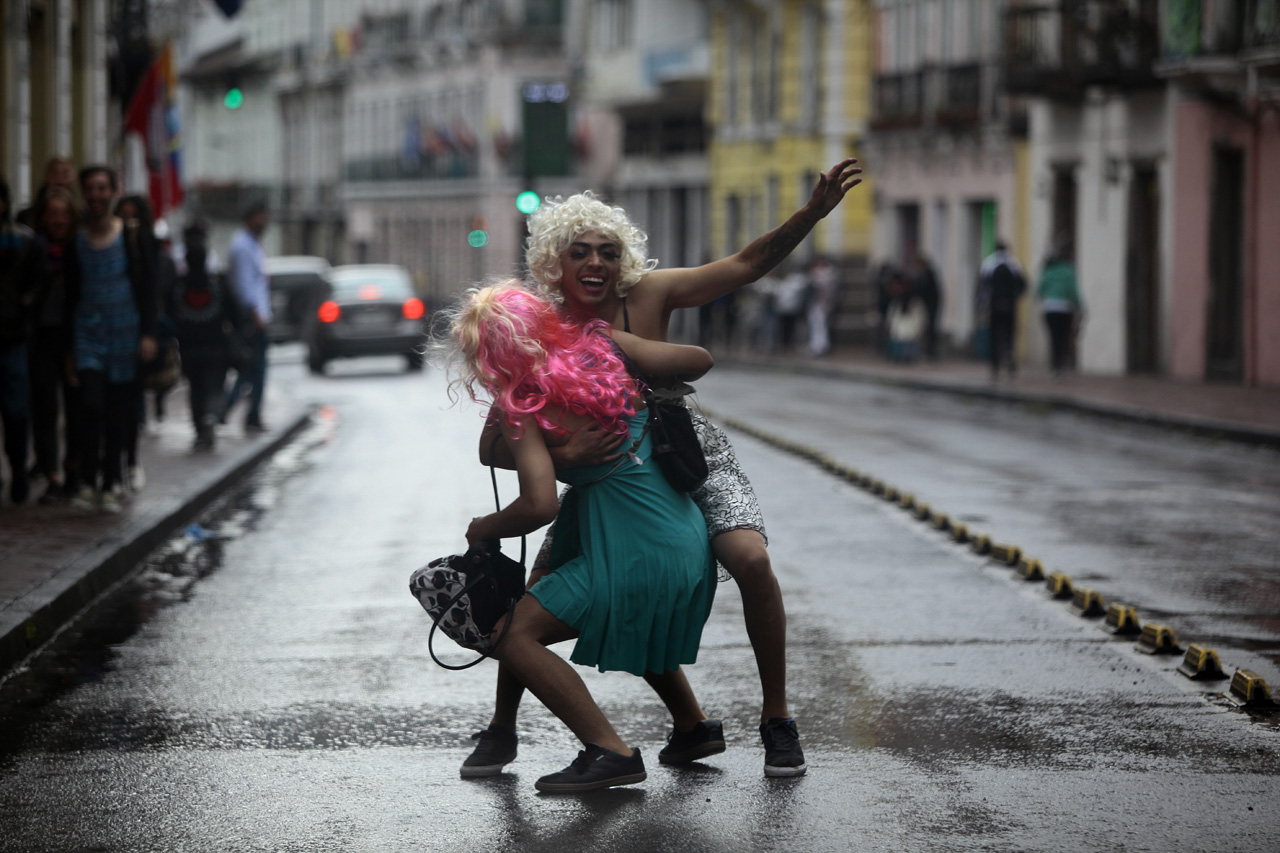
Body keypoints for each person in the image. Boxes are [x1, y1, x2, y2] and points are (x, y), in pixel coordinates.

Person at [466, 158, 863, 779]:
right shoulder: (544, 328)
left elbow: (744, 266)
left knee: (751, 561)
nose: (596, 263)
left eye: (608, 252)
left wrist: (811, 215)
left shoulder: (646, 295)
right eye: (580, 252)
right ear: (554, 262)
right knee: (544, 588)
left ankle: (777, 719)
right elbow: (495, 446)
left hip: (687, 451)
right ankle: (504, 729)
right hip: (612, 478)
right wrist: (568, 456)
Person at [448, 280, 721, 793]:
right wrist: (641, 373)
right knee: (611, 613)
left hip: (635, 553)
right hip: (685, 541)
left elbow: (539, 505)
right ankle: (692, 726)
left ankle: (609, 750)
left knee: (511, 635)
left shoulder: (523, 406)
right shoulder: (605, 346)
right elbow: (699, 359)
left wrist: (483, 527)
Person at [66, 165, 157, 513]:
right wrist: (70, 349)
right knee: (90, 406)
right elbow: (72, 294)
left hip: (125, 334)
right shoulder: (77, 241)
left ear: (113, 191)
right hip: (89, 335)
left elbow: (148, 288)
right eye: (90, 188)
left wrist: (148, 333)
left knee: (118, 411)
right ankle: (88, 479)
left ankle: (111, 481)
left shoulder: (132, 237)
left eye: (102, 188)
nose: (96, 195)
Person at [25, 186, 82, 504]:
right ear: (43, 217)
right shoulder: (33, 250)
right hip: (41, 338)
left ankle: (73, 469)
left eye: (64, 214)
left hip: (75, 339)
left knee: (76, 408)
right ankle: (52, 475)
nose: (58, 220)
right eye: (52, 214)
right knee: (44, 409)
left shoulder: (81, 248)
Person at [169, 222, 238, 450]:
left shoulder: (177, 286)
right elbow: (234, 311)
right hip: (215, 345)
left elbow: (170, 314)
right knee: (214, 386)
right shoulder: (217, 283)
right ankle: (211, 416)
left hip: (188, 346)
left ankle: (200, 430)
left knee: (196, 388)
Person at [113, 194, 163, 492]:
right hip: (107, 329)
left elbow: (151, 291)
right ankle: (111, 469)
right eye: (123, 217)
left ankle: (130, 460)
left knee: (131, 401)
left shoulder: (146, 246)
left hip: (134, 332)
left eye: (133, 218)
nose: (128, 224)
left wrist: (149, 333)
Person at [0, 176, 35, 505]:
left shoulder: (22, 240)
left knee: (15, 411)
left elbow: (38, 283)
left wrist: (24, 307)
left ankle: (19, 468)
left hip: (13, 337)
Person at [223, 200, 270, 432]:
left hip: (258, 316)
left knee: (254, 369)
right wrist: (255, 314)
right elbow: (244, 286)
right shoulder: (242, 246)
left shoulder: (253, 244)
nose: (261, 222)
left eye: (264, 217)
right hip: (251, 318)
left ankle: (248, 414)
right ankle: (227, 408)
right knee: (252, 368)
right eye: (257, 217)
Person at [978, 240, 1026, 380]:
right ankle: (1009, 359)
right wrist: (1014, 296)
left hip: (995, 306)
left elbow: (983, 287)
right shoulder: (1014, 263)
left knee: (994, 336)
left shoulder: (989, 263)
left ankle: (995, 366)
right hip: (1009, 305)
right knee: (1010, 335)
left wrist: (981, 304)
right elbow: (1022, 284)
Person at [1037, 241, 1083, 376]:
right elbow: (1073, 291)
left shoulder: (1047, 271)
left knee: (1053, 337)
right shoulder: (1068, 270)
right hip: (1065, 309)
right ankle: (1061, 363)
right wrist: (1080, 306)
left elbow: (1040, 291)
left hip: (1050, 308)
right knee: (1063, 337)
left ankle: (1055, 365)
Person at [16, 155, 76, 230]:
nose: (60, 179)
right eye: (55, 173)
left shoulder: (82, 216)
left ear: (73, 178)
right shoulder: (26, 216)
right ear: (46, 177)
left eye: (65, 174)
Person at [911, 252, 941, 361]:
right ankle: (928, 350)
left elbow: (925, 290)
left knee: (931, 327)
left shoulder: (928, 275)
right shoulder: (922, 275)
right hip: (927, 304)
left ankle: (931, 351)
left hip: (931, 304)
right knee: (927, 327)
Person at [806, 256, 836, 357]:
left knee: (820, 326)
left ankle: (820, 346)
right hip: (817, 303)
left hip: (821, 303)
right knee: (816, 325)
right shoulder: (822, 274)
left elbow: (826, 291)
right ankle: (816, 345)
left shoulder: (825, 275)